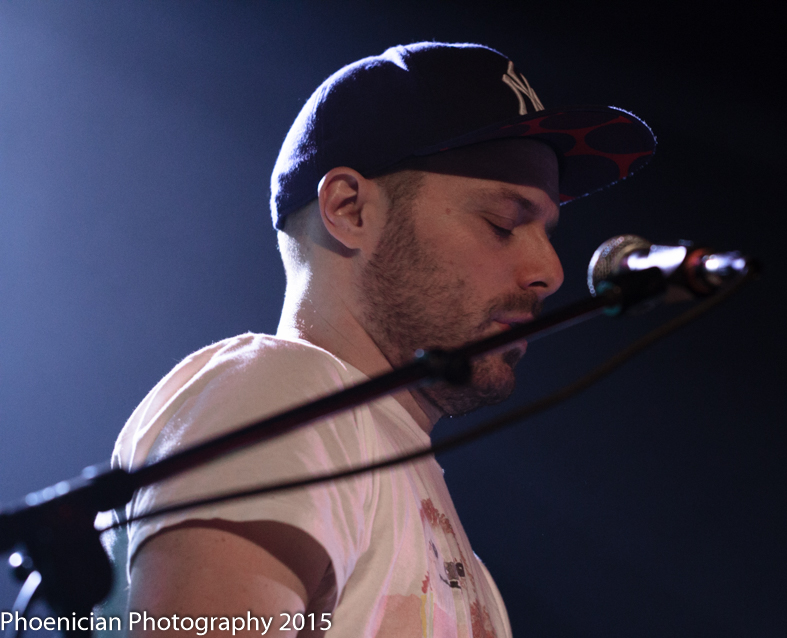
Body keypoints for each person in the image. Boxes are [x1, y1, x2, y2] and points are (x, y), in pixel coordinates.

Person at [110, 42, 654, 638]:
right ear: (349, 208)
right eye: (502, 222)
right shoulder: (279, 392)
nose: (549, 270)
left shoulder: (434, 518)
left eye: (547, 231)